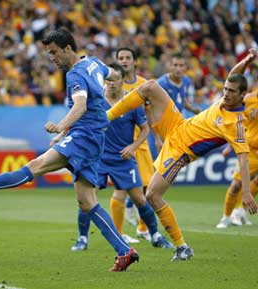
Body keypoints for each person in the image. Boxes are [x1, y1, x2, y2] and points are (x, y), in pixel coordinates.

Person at [0, 27, 139, 272]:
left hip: (83, 137)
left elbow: (80, 105)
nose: (51, 58)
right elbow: (114, 74)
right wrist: (109, 91)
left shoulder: (74, 74)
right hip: (93, 138)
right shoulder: (94, 63)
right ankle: (125, 251)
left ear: (68, 49)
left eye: (54, 53)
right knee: (87, 201)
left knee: (35, 166)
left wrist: (60, 127)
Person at [105, 48, 258, 261]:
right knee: (149, 86)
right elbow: (234, 72)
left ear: (242, 94)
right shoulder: (225, 100)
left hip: (181, 151)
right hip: (176, 124)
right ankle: (106, 117)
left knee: (152, 195)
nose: (226, 93)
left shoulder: (237, 125)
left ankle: (181, 246)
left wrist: (247, 192)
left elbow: (242, 156)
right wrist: (248, 60)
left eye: (232, 91)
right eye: (225, 89)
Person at [70, 63, 173, 252]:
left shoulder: (132, 103)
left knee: (140, 199)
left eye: (114, 80)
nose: (110, 84)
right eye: (107, 80)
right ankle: (82, 239)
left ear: (122, 81)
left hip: (123, 159)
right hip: (98, 158)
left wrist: (133, 147)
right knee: (85, 198)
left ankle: (156, 236)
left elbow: (145, 129)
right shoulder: (96, 102)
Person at [115, 47, 156, 241]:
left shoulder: (144, 84)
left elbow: (149, 113)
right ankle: (118, 232)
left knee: (147, 188)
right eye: (120, 58)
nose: (124, 61)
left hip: (141, 142)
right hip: (121, 143)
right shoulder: (112, 84)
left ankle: (142, 229)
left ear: (134, 61)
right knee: (122, 189)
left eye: (127, 58)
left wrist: (156, 135)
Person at [216, 89, 258, 228]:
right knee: (236, 185)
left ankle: (239, 211)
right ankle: (226, 217)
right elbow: (236, 121)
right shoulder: (249, 99)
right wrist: (229, 147)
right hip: (250, 150)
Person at [157, 52, 201, 117]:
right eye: (175, 65)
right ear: (170, 66)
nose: (178, 69)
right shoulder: (161, 83)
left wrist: (193, 110)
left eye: (181, 65)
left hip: (178, 119)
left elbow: (181, 98)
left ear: (185, 67)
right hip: (165, 121)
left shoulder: (186, 81)